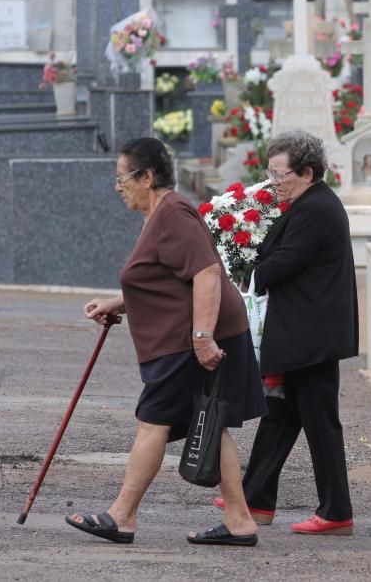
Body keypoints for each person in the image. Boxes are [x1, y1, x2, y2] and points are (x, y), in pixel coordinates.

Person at [67, 137, 267, 547]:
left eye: (123, 178)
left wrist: (202, 338)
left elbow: (207, 274)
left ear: (147, 176)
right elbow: (165, 279)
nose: (118, 187)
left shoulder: (173, 212)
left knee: (153, 419)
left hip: (196, 338)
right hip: (194, 335)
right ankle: (240, 519)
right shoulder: (160, 215)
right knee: (214, 421)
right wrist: (118, 303)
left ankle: (121, 515)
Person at [215, 130, 359, 536]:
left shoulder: (315, 208)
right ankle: (256, 499)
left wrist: (243, 268)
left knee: (320, 422)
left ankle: (337, 511)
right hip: (303, 331)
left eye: (280, 176)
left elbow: (282, 263)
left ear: (308, 172)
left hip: (311, 335)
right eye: (271, 174)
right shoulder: (307, 203)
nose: (274, 183)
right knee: (280, 415)